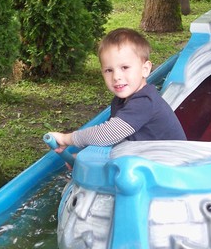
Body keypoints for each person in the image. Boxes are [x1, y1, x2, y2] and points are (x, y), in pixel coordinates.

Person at [48, 28, 186, 154]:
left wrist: (67, 139)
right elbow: (114, 140)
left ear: (145, 69)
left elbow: (107, 135)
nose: (116, 77)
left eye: (125, 67)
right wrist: (81, 157)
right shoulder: (121, 101)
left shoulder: (145, 102)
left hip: (173, 168)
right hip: (151, 162)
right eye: (109, 70)